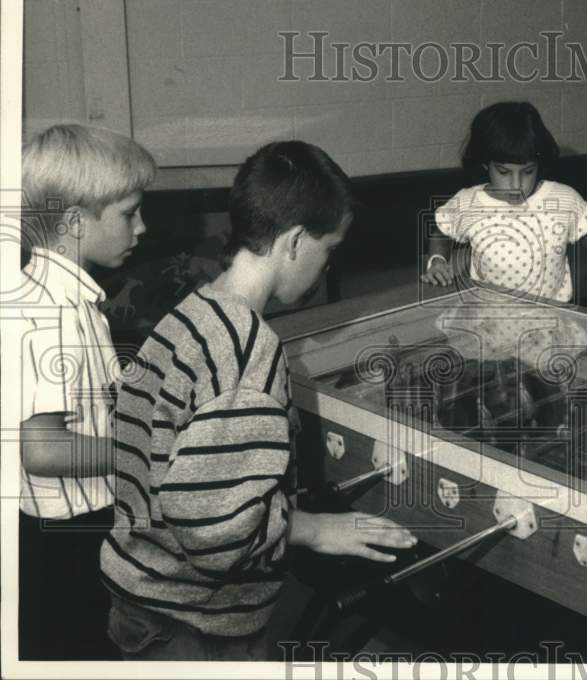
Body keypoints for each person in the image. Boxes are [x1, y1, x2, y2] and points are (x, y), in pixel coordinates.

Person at [100, 141, 417, 660]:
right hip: (195, 624)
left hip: (143, 594)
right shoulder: (250, 349)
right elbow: (213, 530)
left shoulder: (190, 313)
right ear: (295, 242)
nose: (327, 266)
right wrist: (315, 530)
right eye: (329, 249)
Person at [18, 124, 157, 659]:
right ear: (75, 222)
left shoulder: (71, 302)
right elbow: (44, 450)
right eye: (129, 213)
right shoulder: (49, 313)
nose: (142, 227)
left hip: (83, 525)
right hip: (67, 538)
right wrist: (144, 451)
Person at [423, 101, 587, 327]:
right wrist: (437, 261)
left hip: (551, 328)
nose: (516, 184)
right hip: (490, 328)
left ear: (539, 164)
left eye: (527, 172)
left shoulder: (564, 201)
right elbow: (441, 234)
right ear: (485, 164)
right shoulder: (469, 203)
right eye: (504, 172)